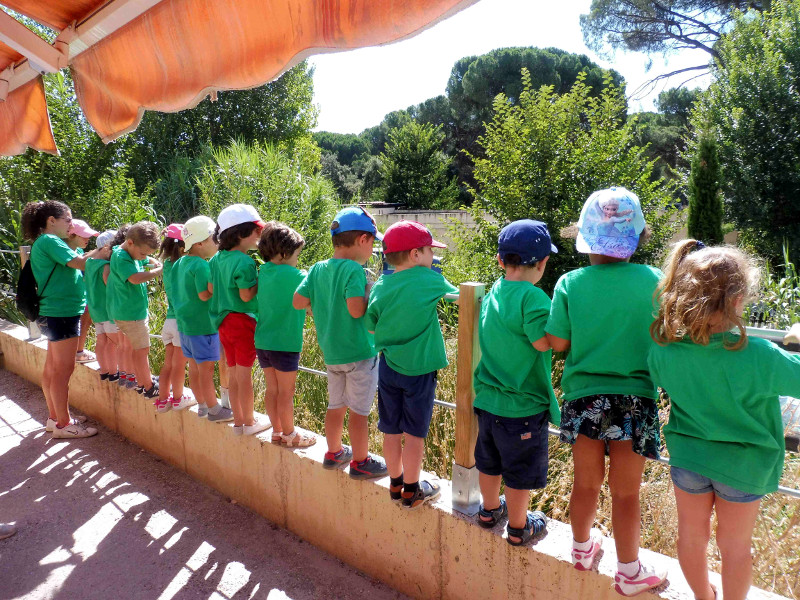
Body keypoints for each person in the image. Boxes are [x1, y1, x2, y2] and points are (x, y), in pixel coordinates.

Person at [649, 240, 800, 600]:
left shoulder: (664, 348)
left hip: (689, 458)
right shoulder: (761, 355)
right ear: (737, 300)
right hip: (744, 466)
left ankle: (703, 595)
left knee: (691, 537)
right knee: (735, 548)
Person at [545, 187, 667, 595]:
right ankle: (629, 572)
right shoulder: (654, 281)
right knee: (627, 493)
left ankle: (581, 550)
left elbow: (559, 343)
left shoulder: (569, 282)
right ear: (637, 237)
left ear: (584, 235)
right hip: (636, 401)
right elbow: (666, 337)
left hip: (584, 399)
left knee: (585, 482)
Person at [472, 220, 559, 544]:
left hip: (488, 399)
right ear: (541, 263)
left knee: (490, 461)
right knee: (519, 470)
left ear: (500, 261)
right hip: (522, 403)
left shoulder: (495, 291)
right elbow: (541, 342)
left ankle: (489, 509)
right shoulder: (533, 298)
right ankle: (520, 527)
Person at [365, 221, 455, 506]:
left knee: (390, 429)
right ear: (416, 254)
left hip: (388, 367)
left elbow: (370, 327)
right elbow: (463, 296)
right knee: (414, 434)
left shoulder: (381, 284)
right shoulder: (429, 279)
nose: (433, 256)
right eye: (430, 251)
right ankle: (413, 490)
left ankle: (395, 484)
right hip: (420, 370)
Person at [293, 206, 387, 479]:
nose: (373, 251)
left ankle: (333, 452)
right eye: (373, 243)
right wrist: (373, 297)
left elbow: (299, 302)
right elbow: (357, 310)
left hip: (332, 354)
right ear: (362, 240)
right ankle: (360, 461)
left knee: (336, 405)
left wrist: (320, 306)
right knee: (359, 411)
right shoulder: (355, 271)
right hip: (359, 353)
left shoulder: (318, 269)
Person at [23, 201, 109, 438]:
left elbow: (77, 258)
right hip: (61, 313)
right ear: (52, 220)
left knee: (52, 368)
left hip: (56, 312)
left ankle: (55, 417)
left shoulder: (47, 243)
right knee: (63, 370)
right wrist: (103, 253)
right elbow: (79, 263)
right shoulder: (50, 241)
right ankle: (63, 424)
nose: (71, 225)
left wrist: (96, 253)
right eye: (68, 220)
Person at [209, 204, 269, 435]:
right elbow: (246, 295)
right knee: (245, 376)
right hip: (242, 322)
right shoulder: (245, 262)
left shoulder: (216, 259)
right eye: (256, 231)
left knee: (233, 374)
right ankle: (249, 422)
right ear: (241, 233)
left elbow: (212, 288)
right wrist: (261, 282)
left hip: (223, 323)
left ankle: (238, 422)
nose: (259, 235)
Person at [255, 222, 315, 447]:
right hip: (285, 343)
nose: (298, 259)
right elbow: (309, 306)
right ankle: (291, 435)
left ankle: (277, 432)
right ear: (283, 253)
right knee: (286, 393)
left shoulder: (264, 271)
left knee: (272, 390)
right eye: (296, 254)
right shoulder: (298, 276)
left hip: (263, 341)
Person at [172, 216, 234, 423]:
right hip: (204, 327)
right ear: (199, 243)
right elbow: (205, 294)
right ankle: (215, 409)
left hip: (185, 326)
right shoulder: (201, 266)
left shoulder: (180, 263)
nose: (217, 242)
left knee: (194, 368)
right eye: (213, 238)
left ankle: (202, 406)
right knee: (207, 370)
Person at [108, 221, 163, 399]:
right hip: (131, 315)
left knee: (137, 349)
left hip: (129, 312)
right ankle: (148, 387)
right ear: (130, 242)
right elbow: (135, 278)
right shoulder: (122, 257)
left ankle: (142, 380)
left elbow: (145, 259)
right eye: (143, 253)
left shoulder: (131, 254)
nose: (144, 257)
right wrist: (158, 271)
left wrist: (152, 260)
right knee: (142, 350)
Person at [155, 223, 191, 412]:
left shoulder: (166, 265)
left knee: (168, 363)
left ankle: (162, 400)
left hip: (169, 321)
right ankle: (178, 398)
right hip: (181, 322)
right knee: (179, 364)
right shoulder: (185, 265)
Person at [84, 229, 121, 383]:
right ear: (107, 248)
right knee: (113, 343)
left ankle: (104, 370)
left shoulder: (89, 263)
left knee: (101, 341)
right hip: (107, 311)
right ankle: (114, 372)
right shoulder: (105, 266)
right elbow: (110, 287)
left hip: (95, 310)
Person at [66, 219, 99, 364]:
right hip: (69, 299)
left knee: (85, 321)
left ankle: (79, 351)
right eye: (83, 236)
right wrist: (99, 251)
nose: (88, 239)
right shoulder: (63, 251)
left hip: (82, 295)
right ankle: (73, 353)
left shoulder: (79, 250)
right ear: (72, 235)